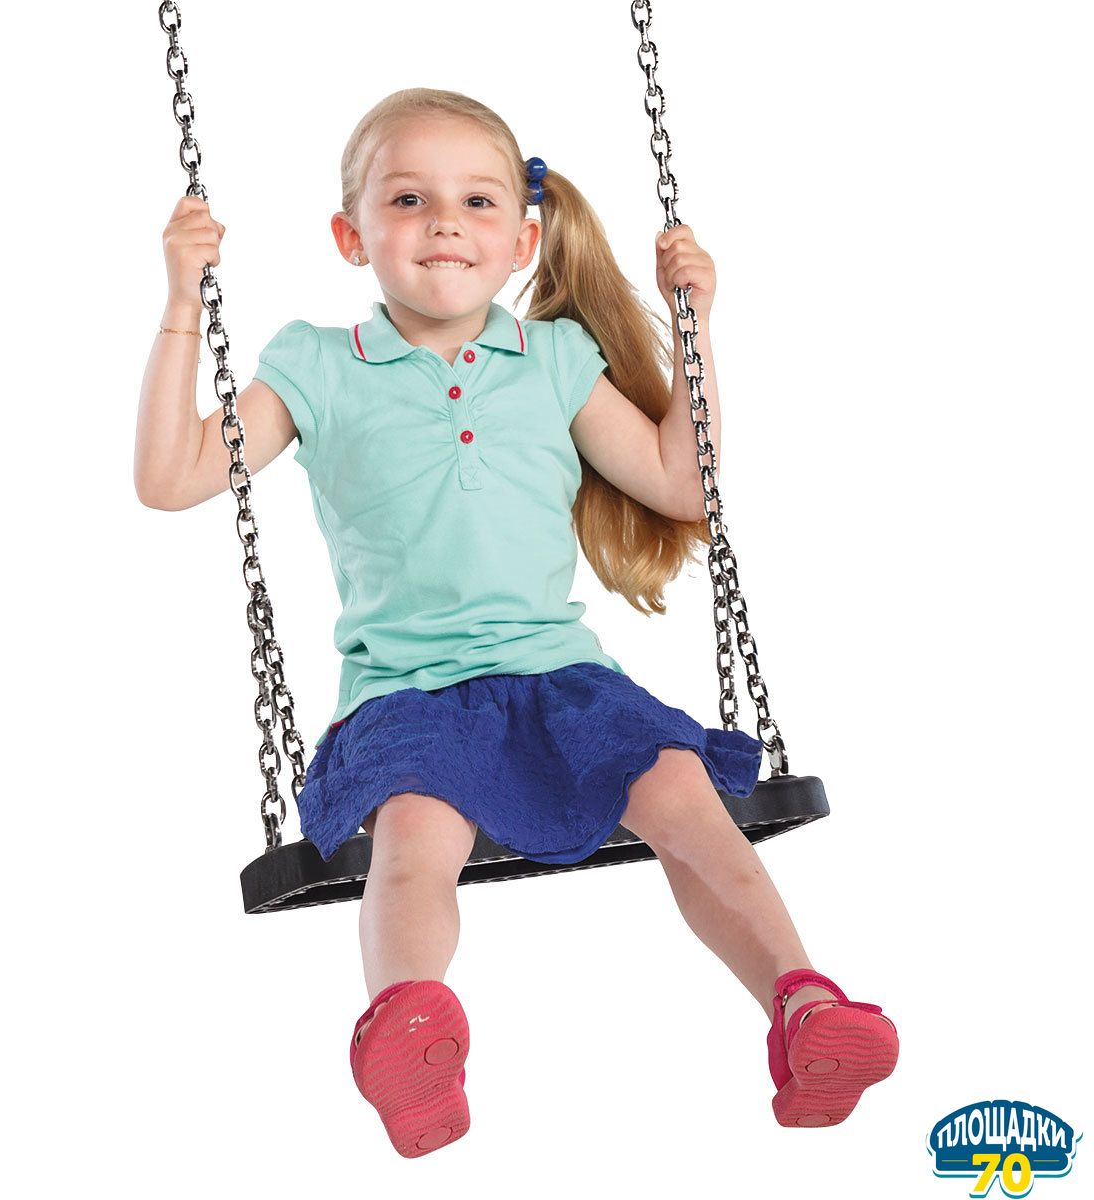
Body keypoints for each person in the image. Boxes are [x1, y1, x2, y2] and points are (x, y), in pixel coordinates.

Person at [135, 87, 898, 1157]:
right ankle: (410, 1032)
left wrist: (693, 325)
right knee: (415, 835)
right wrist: (184, 301)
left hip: (564, 681)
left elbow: (683, 483)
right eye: (409, 199)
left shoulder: (554, 361)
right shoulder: (315, 366)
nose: (445, 222)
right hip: (406, 694)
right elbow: (171, 477)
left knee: (688, 801)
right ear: (352, 236)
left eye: (478, 200)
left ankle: (805, 1007)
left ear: (523, 241)